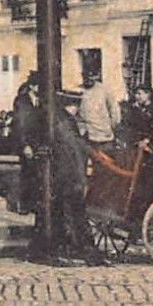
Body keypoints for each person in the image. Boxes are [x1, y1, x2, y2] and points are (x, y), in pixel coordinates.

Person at [47, 93, 108, 266]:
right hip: (70, 177)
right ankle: (83, 252)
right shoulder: (65, 124)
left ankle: (77, 250)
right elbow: (74, 151)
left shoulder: (62, 121)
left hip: (65, 176)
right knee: (75, 215)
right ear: (71, 105)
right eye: (77, 105)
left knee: (70, 214)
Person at [12, 72, 44, 215]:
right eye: (39, 85)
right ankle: (25, 204)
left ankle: (37, 204)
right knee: (28, 174)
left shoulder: (42, 100)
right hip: (28, 144)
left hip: (40, 144)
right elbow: (19, 125)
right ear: (32, 86)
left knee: (39, 174)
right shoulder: (21, 101)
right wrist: (24, 145)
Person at [76, 71, 119, 150]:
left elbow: (114, 110)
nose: (89, 79)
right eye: (86, 76)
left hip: (104, 135)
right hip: (87, 135)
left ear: (97, 76)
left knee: (105, 159)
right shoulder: (79, 90)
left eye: (92, 76)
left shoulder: (104, 90)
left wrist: (110, 127)